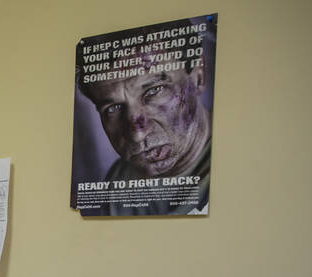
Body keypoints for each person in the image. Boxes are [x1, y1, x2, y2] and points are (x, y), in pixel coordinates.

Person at [77, 55, 212, 215]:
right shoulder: (119, 181)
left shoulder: (239, 162)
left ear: (198, 77)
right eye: (113, 108)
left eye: (154, 91)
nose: (137, 135)